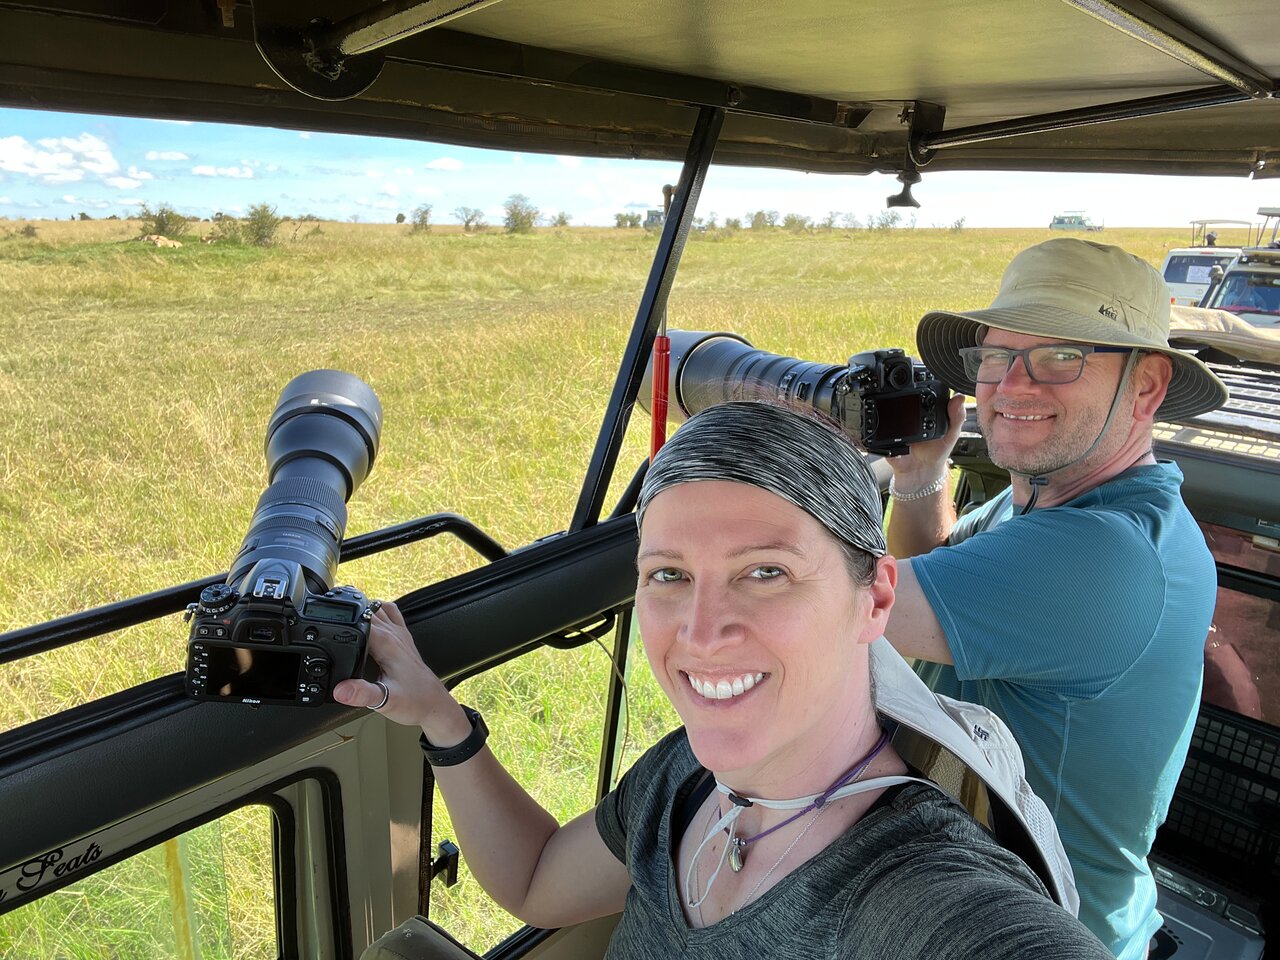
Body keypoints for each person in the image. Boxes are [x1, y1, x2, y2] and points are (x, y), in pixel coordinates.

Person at [338, 400, 1111, 960]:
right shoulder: (685, 779)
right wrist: (442, 721)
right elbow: (538, 881)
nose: (702, 633)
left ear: (875, 598)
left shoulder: (917, 890)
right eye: (669, 574)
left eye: (765, 572)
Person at [881, 238, 1228, 960]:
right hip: (981, 898)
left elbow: (843, 613)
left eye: (1060, 356)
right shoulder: (1053, 500)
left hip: (1025, 934)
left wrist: (781, 459)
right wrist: (920, 474)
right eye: (996, 356)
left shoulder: (1103, 553)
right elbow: (931, 572)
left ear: (1146, 387)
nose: (1012, 385)